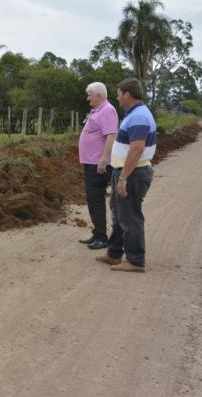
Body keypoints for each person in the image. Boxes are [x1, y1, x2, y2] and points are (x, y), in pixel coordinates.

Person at [96, 78, 156, 272]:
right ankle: (114, 253)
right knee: (119, 214)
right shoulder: (135, 114)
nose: (117, 97)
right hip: (125, 171)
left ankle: (135, 261)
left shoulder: (138, 117)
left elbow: (137, 149)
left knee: (130, 218)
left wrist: (123, 178)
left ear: (127, 95)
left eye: (119, 93)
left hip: (132, 173)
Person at [77, 82, 118, 249]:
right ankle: (98, 233)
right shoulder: (98, 111)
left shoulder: (107, 110)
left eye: (90, 95)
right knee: (93, 200)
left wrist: (103, 159)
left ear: (99, 95)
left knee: (96, 200)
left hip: (98, 164)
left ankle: (101, 238)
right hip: (91, 163)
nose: (88, 98)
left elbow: (111, 136)